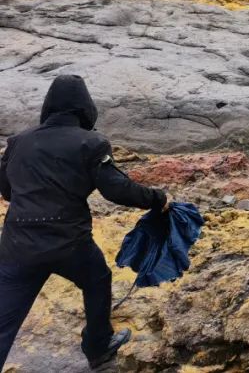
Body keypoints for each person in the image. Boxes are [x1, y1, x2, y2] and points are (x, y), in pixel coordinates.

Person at [0, 75, 169, 371]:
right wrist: (158, 199)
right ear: (86, 107)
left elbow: (6, 190)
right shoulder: (92, 142)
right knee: (97, 279)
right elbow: (116, 189)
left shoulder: (19, 141)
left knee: (4, 317)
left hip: (17, 244)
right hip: (68, 243)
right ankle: (98, 347)